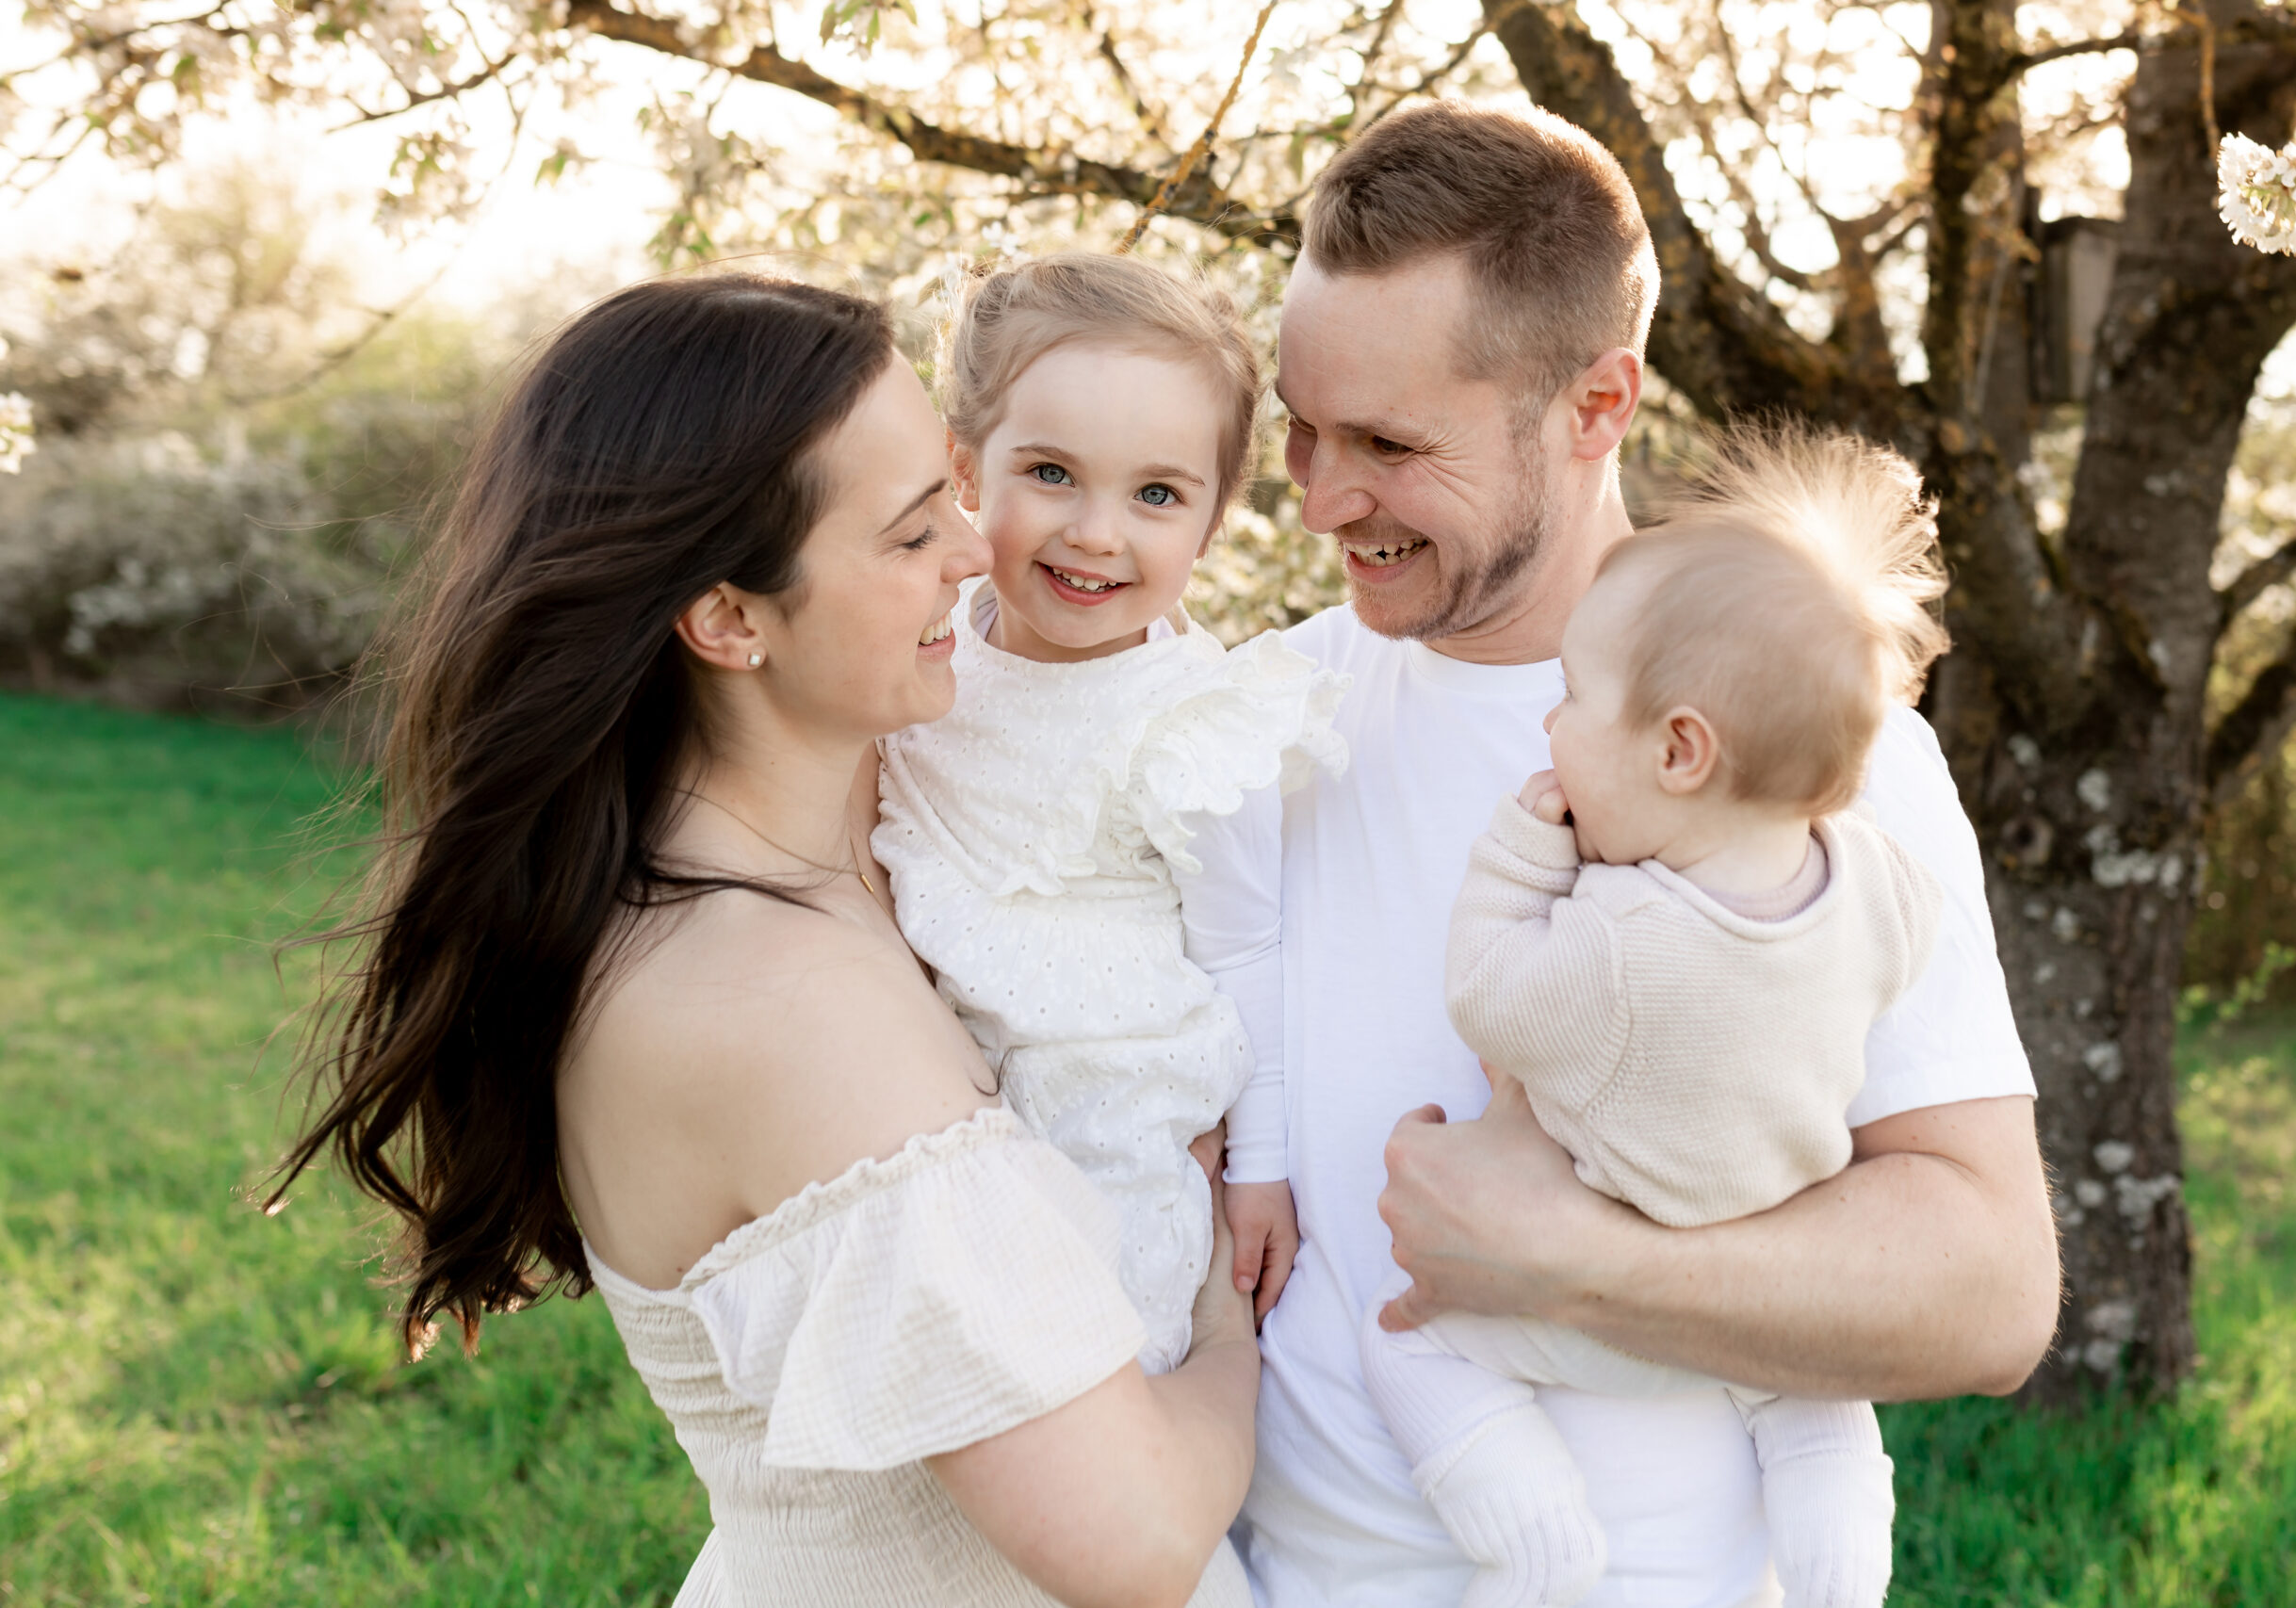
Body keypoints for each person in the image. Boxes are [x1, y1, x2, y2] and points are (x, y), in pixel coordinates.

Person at [276, 273, 1259, 1608]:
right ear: (731, 618)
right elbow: (1133, 1539)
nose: (979, 552)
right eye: (915, 532)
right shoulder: (779, 1003)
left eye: (959, 494)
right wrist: (1228, 1322)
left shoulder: (854, 825)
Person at [1238, 101, 2061, 1606]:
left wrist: (1574, 1261)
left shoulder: (1814, 754)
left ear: (1597, 404)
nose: (1318, 494)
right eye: (1298, 423)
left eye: (1389, 443)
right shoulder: (1256, 721)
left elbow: (1990, 1287)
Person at [1360, 424, 1957, 1608]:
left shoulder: (1622, 945)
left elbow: (1486, 994)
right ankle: (1840, 1573)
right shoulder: (1873, 882)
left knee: (1402, 1341)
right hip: (1767, 1261)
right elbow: (1904, 955)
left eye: (1575, 702)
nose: (1550, 729)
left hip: (1607, 1302)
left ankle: (1534, 1544)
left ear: (1682, 750)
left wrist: (1527, 850)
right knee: (1818, 1398)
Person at [875, 252, 1340, 1372]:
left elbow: (1246, 951)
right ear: (962, 467)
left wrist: (1257, 1165)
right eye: (1049, 473)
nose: (1096, 532)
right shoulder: (923, 645)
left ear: (1215, 519)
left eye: (1156, 496)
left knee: (1079, 1395)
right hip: (917, 1097)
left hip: (1111, 1126)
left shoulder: (1195, 723)